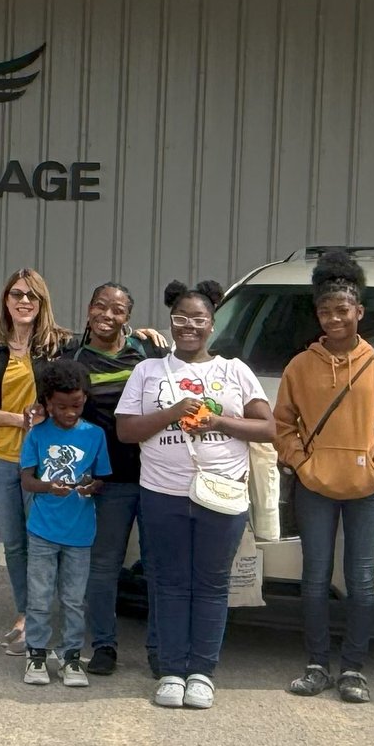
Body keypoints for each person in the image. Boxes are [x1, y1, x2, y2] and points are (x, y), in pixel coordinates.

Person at [114, 280, 274, 711]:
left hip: (220, 493)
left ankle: (201, 672)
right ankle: (170, 671)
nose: (189, 326)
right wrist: (172, 412)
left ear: (212, 324)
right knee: (168, 583)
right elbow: (127, 430)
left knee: (210, 584)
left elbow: (268, 428)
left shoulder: (234, 371)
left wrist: (218, 423)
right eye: (181, 318)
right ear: (171, 321)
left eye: (198, 319)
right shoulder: (148, 371)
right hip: (162, 493)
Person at [275, 251, 374, 706]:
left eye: (343, 310)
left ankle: (354, 668)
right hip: (313, 487)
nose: (334, 318)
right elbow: (283, 425)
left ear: (359, 313)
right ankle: (316, 664)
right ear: (317, 315)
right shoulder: (299, 366)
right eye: (326, 311)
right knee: (313, 578)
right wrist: (303, 464)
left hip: (366, 490)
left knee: (361, 579)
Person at [0, 269, 70, 655]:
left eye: (32, 296)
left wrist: (145, 335)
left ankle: (38, 620)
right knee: (14, 544)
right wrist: (18, 419)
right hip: (3, 458)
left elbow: (106, 339)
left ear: (42, 302)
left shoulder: (60, 346)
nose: (24, 301)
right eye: (16, 294)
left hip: (46, 462)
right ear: (5, 300)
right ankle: (26, 615)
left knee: (43, 542)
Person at [67, 282, 155, 676]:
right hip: (108, 480)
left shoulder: (148, 354)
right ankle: (104, 644)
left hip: (157, 476)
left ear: (128, 318)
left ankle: (160, 648)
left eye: (117, 310)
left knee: (157, 566)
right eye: (100, 306)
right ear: (88, 309)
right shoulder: (74, 359)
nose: (107, 315)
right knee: (103, 566)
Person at [17, 361, 110, 688]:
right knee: (40, 596)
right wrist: (48, 486)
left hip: (81, 532)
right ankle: (36, 654)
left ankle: (71, 656)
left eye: (77, 405)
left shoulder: (95, 435)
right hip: (42, 529)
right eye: (61, 406)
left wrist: (90, 486)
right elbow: (27, 481)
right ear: (46, 403)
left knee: (73, 598)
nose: (70, 412)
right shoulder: (37, 434)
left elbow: (99, 479)